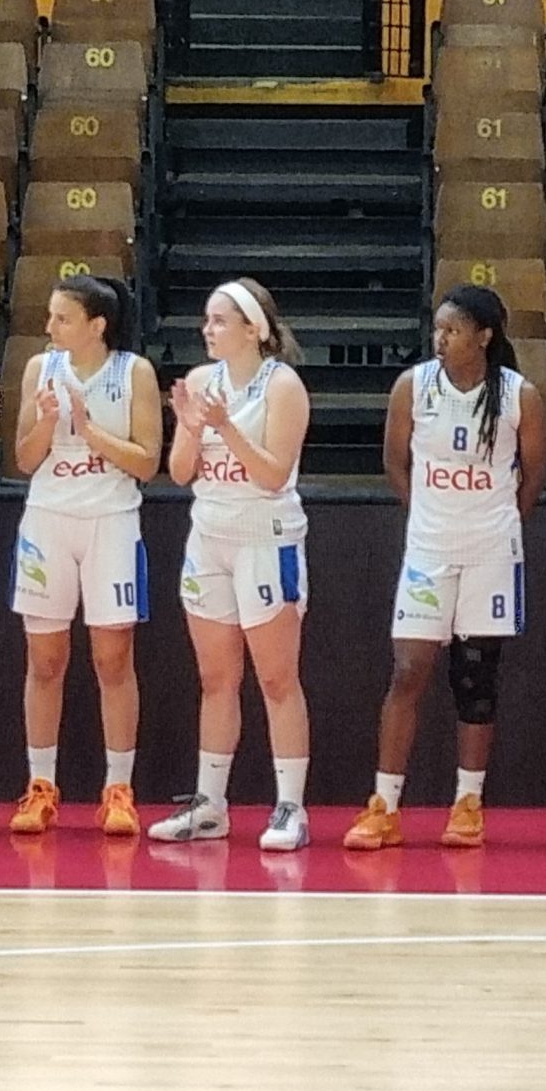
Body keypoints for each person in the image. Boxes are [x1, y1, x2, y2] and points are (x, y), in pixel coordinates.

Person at [345, 285, 546, 851]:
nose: (441, 339)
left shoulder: (519, 395)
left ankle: (468, 803)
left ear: (483, 336)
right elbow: (395, 462)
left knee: (475, 678)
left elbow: (533, 475)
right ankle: (384, 804)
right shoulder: (413, 386)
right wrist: (429, 516)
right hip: (429, 550)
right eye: (438, 329)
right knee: (408, 669)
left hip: (490, 550)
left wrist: (498, 523)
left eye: (453, 330)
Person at [150, 278, 315, 851]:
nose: (208, 329)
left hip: (266, 539)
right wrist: (192, 427)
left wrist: (224, 427)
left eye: (219, 320)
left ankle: (290, 807)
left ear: (253, 329)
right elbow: (179, 472)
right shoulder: (201, 381)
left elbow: (272, 475)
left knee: (276, 679)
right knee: (216, 679)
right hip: (209, 539)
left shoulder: (282, 385)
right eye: (206, 320)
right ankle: (210, 805)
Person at [8, 274, 162, 837]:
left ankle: (118, 789)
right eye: (50, 316)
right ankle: (40, 786)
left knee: (113, 660)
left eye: (62, 318)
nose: (49, 326)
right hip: (48, 520)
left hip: (111, 521)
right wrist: (50, 421)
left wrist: (90, 430)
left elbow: (147, 462)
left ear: (97, 326)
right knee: (44, 662)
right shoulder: (39, 369)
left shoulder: (133, 372)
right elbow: (24, 460)